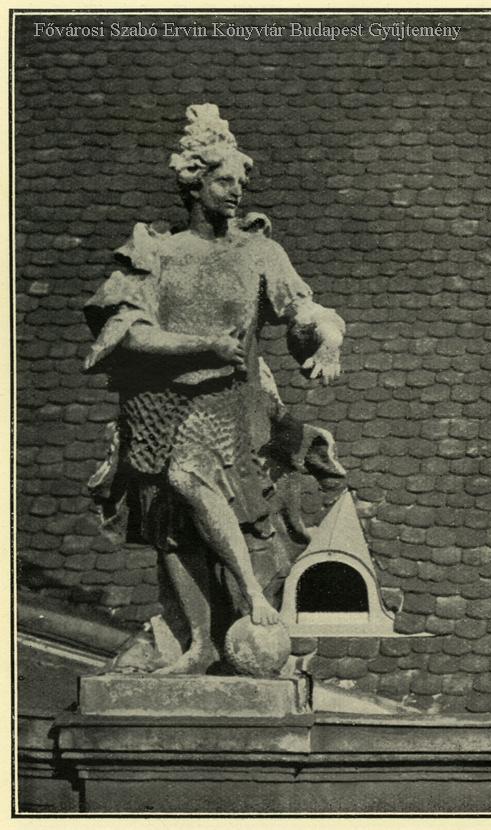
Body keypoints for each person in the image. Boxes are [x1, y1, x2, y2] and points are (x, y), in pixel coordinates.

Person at [84, 104, 346, 674]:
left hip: (227, 407)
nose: (236, 192)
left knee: (193, 482)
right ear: (194, 182)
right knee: (172, 529)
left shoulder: (258, 252)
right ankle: (199, 643)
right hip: (156, 407)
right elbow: (127, 334)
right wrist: (201, 347)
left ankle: (250, 598)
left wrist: (329, 335)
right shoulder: (157, 253)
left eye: (240, 183)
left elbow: (303, 311)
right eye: (225, 181)